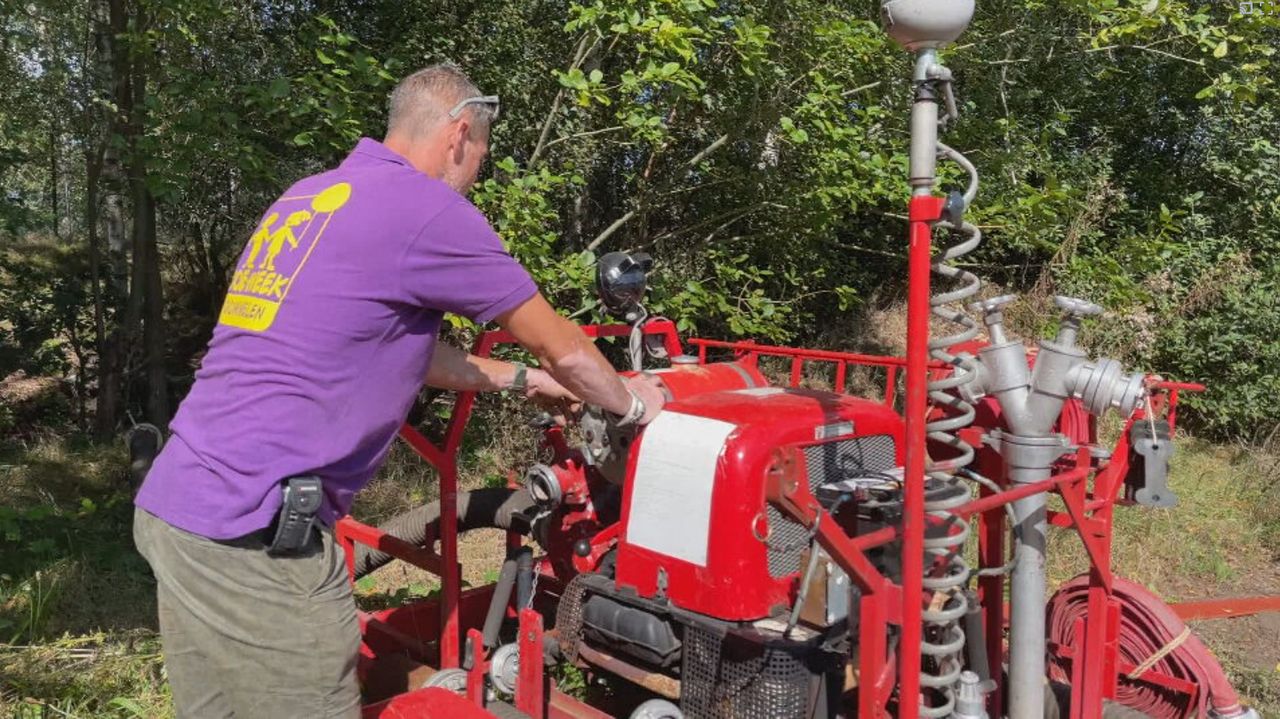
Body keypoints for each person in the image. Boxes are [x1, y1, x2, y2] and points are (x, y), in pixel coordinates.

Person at [132, 63, 666, 719]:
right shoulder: (426, 208)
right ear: (459, 134)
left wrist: (521, 380)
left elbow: (392, 347)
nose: (475, 175)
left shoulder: (312, 197)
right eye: (481, 159)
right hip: (258, 535)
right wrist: (638, 405)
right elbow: (562, 343)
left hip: (177, 508)